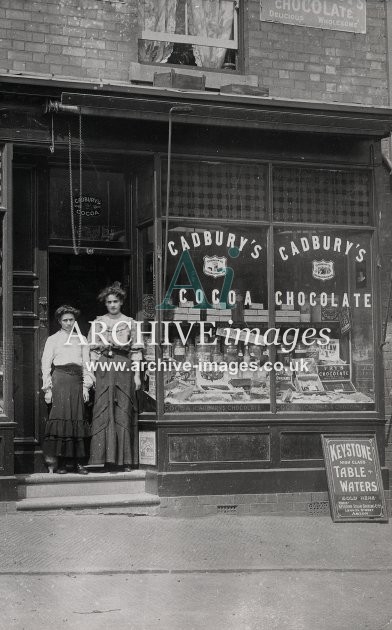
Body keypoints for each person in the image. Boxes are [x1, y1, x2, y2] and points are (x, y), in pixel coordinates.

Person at [88, 283, 143, 471]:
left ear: (121, 302)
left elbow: (136, 351)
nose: (112, 305)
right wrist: (93, 375)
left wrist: (136, 376)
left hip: (123, 366)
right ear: (105, 303)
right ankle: (104, 459)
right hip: (103, 367)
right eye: (109, 302)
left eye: (116, 301)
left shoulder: (130, 323)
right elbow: (92, 352)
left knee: (123, 408)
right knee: (104, 408)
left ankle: (125, 460)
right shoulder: (97, 323)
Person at [41, 305, 92, 474]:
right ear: (59, 322)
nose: (69, 323)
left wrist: (86, 387)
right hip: (60, 381)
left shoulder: (82, 339)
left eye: (71, 320)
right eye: (65, 320)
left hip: (77, 381)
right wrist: (48, 389)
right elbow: (46, 364)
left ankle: (78, 463)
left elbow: (87, 364)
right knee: (62, 420)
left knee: (77, 419)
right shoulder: (53, 339)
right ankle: (62, 463)